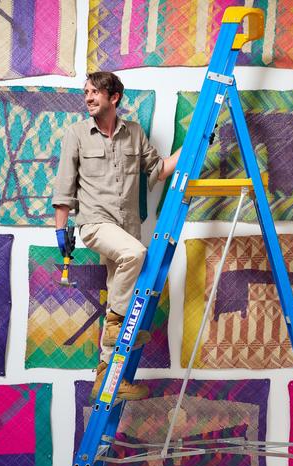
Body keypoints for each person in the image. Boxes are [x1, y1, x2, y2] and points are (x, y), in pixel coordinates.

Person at [52, 71, 180, 400]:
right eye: (86, 93)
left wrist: (193, 145)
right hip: (95, 223)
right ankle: (115, 323)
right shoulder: (77, 134)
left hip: (127, 228)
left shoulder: (134, 134)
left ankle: (107, 379)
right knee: (136, 255)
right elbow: (64, 187)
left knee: (120, 287)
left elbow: (160, 169)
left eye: (95, 92)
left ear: (114, 97)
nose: (89, 98)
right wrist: (60, 231)